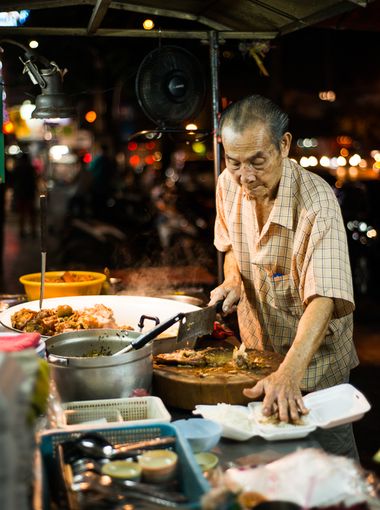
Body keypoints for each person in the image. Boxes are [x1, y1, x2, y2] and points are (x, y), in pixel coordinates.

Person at [208, 94, 359, 458]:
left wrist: (290, 373)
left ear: (284, 145)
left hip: (315, 370)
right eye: (235, 162)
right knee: (267, 467)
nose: (246, 176)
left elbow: (323, 298)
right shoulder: (228, 184)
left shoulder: (316, 202)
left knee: (329, 469)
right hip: (260, 359)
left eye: (258, 161)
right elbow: (229, 245)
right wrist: (232, 280)